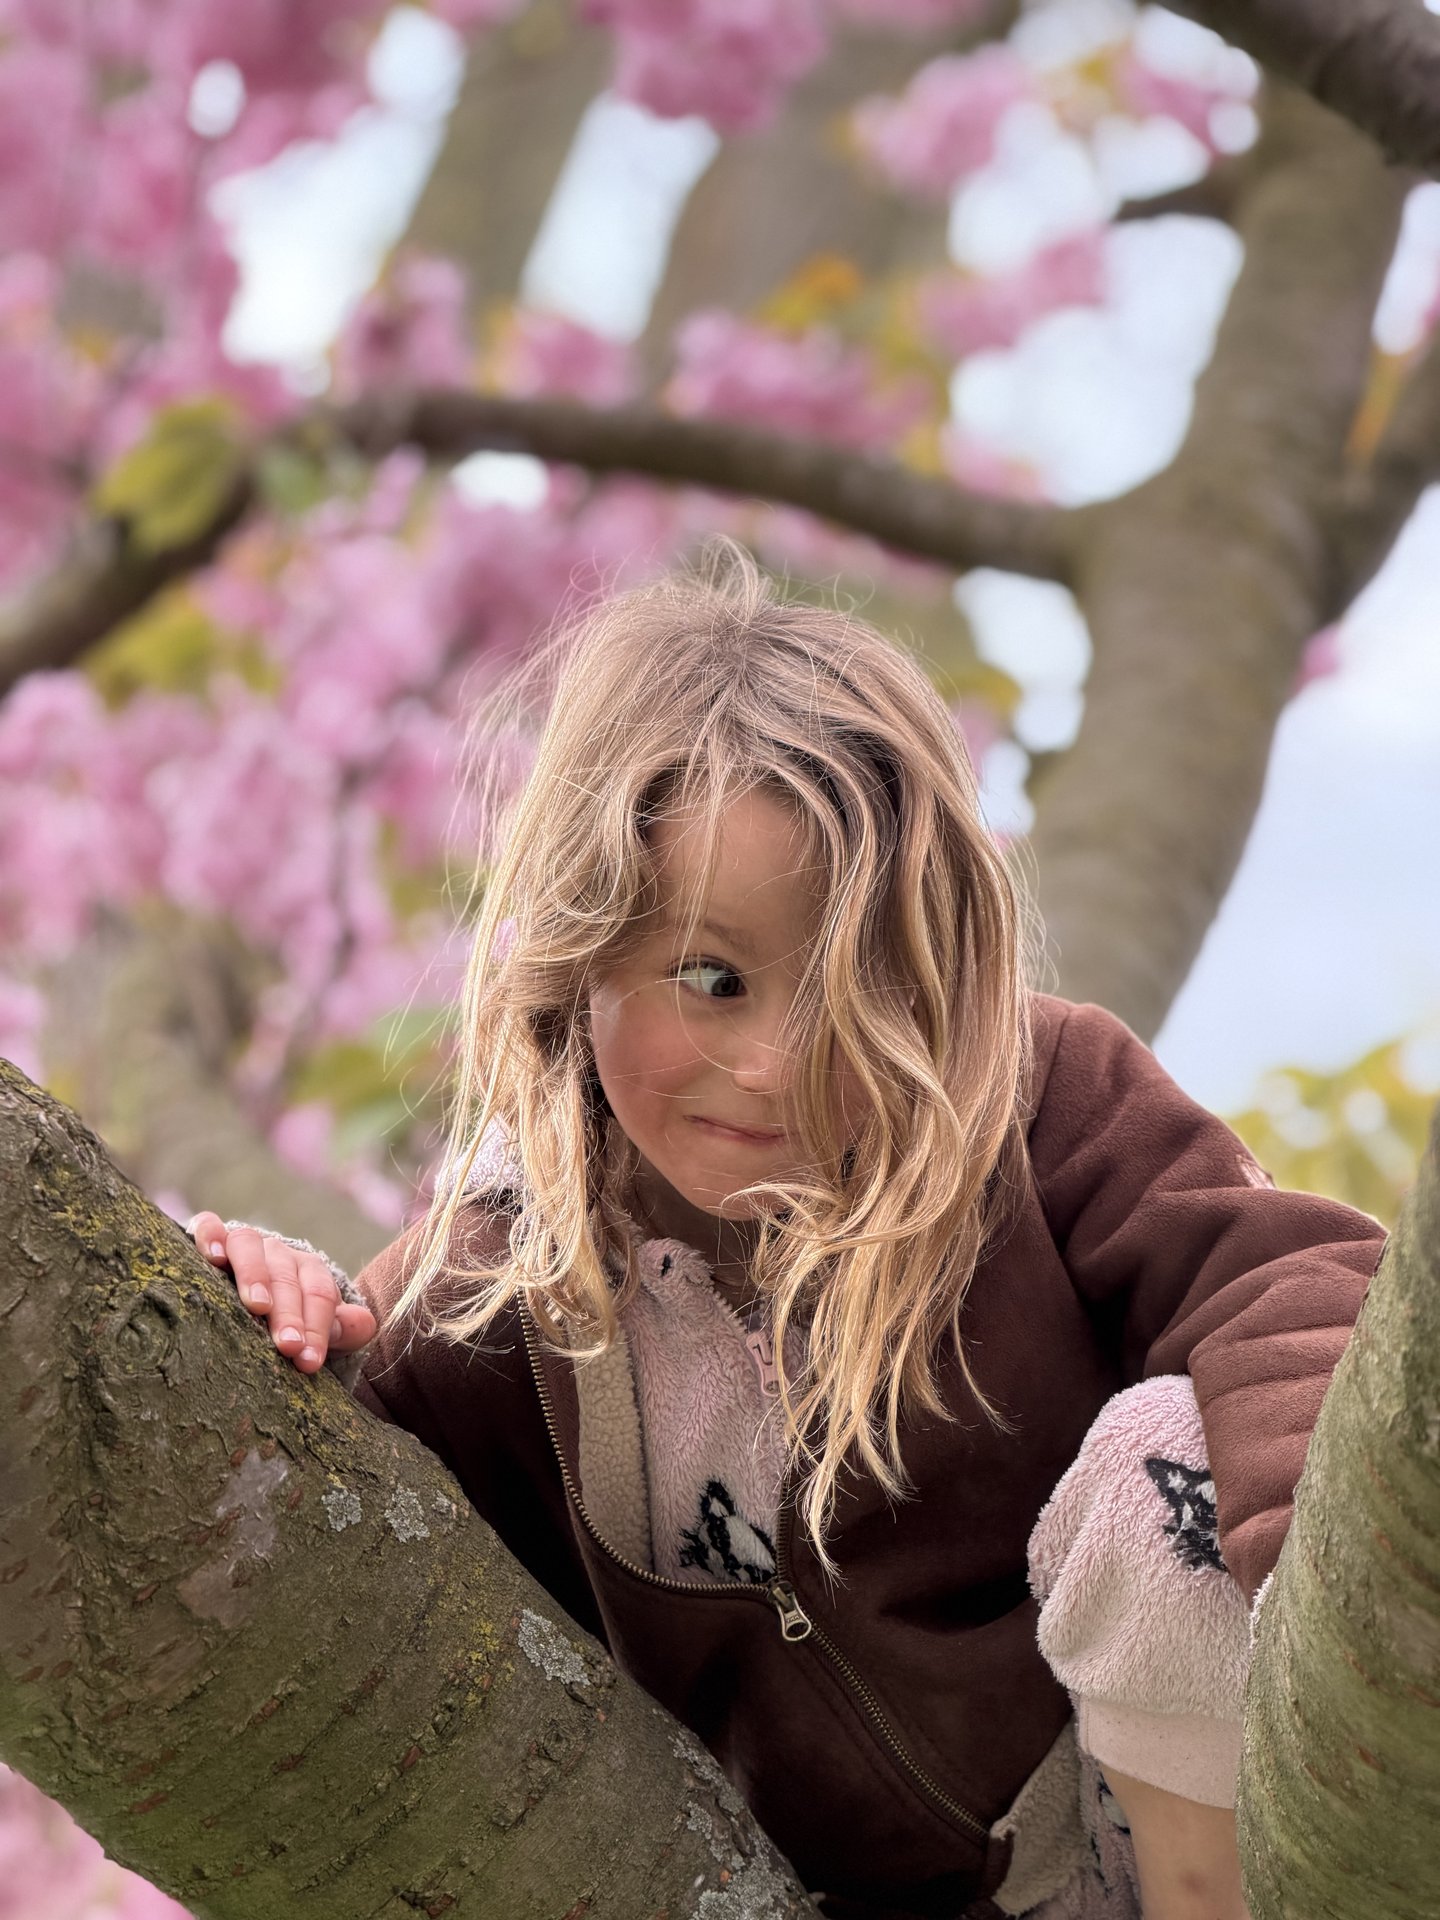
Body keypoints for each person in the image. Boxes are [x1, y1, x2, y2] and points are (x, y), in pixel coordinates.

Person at [191, 546, 1384, 1920]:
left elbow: (1285, 1276)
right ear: (581, 961)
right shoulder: (510, 1276)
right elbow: (357, 1452)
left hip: (1132, 1814)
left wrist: (1314, 1555)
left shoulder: (1037, 1099)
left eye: (850, 981)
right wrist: (287, 1301)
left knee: (1165, 1458)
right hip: (823, 1890)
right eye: (711, 979)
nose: (773, 1061)